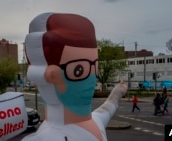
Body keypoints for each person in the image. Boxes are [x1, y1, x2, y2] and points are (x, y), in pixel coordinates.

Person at [22, 12, 127, 141]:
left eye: (95, 66)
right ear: (48, 75)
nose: (91, 77)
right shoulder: (46, 137)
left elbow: (108, 108)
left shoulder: (95, 121)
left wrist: (117, 92)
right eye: (79, 69)